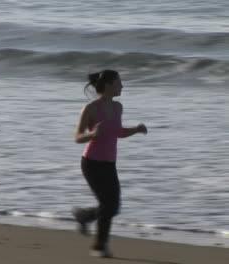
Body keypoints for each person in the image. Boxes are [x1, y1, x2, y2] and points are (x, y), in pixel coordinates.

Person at [73, 69, 147, 258]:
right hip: (91, 163)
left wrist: (136, 129)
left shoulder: (118, 107)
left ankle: (84, 216)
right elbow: (77, 137)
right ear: (108, 85)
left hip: (109, 164)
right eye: (118, 82)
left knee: (112, 206)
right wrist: (91, 134)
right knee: (108, 205)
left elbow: (118, 133)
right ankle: (100, 246)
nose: (122, 86)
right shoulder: (90, 108)